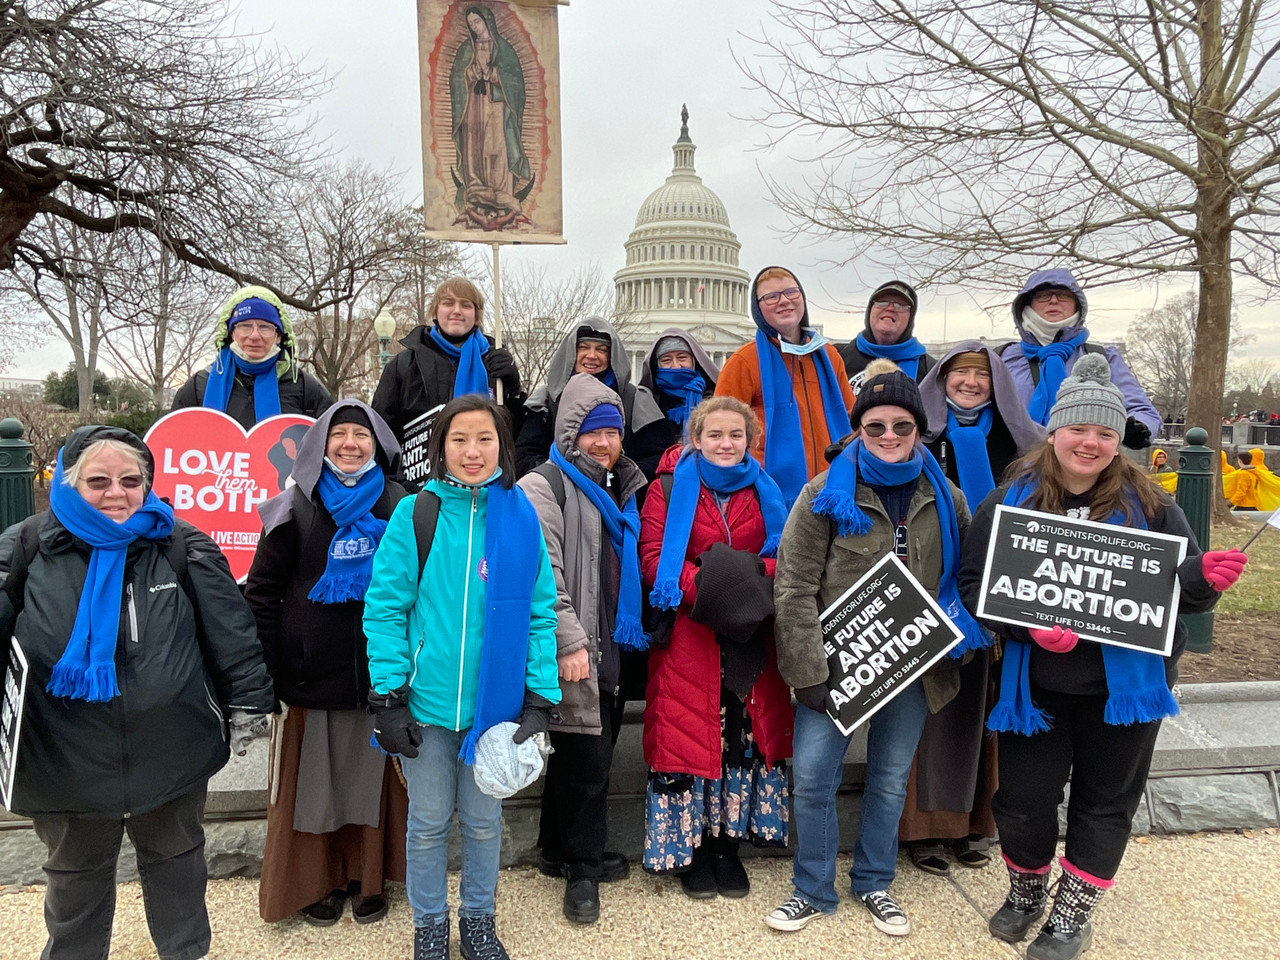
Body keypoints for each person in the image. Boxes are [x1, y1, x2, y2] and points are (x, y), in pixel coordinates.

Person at [958, 355, 1246, 960]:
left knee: (1104, 801)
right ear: (1055, 432)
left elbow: (1180, 590)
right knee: (1024, 801)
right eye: (1079, 430)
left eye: (1105, 433)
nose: (1090, 443)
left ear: (1118, 441)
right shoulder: (1010, 500)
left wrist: (1204, 576)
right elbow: (972, 584)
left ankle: (1072, 916)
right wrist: (1027, 627)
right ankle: (1027, 891)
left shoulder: (1154, 505)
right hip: (1035, 687)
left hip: (1125, 691)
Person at [0, 425, 274, 960]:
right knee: (74, 884)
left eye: (131, 480)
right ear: (69, 483)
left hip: (171, 752)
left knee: (178, 873)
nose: (116, 493)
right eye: (98, 481)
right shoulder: (25, 547)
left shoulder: (180, 544)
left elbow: (231, 632)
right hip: (64, 757)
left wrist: (250, 703)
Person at [766, 360, 988, 939]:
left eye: (901, 427)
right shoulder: (824, 494)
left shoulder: (949, 498)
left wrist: (957, 638)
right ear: (858, 430)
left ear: (920, 430)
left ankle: (874, 882)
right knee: (813, 779)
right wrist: (807, 670)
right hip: (837, 664)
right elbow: (792, 586)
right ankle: (811, 888)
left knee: (891, 779)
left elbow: (966, 578)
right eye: (876, 427)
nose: (889, 437)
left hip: (913, 662)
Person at [363, 396, 561, 960]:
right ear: (439, 447)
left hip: (494, 710)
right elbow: (386, 608)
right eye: (459, 440)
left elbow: (540, 610)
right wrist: (388, 696)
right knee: (426, 823)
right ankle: (429, 925)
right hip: (424, 706)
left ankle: (478, 920)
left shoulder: (521, 513)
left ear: (502, 444)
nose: (472, 452)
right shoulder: (416, 512)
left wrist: (541, 695)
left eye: (484, 439)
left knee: (481, 822)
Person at [245, 401, 409, 927]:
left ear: (379, 444)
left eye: (361, 435)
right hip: (307, 675)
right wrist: (268, 671)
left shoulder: (399, 504)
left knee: (368, 784)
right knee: (314, 789)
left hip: (375, 673)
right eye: (339, 435)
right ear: (319, 444)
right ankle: (318, 880)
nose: (350, 445)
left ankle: (366, 877)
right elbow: (263, 593)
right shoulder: (294, 505)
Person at [899, 342, 1045, 875]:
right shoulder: (920, 436)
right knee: (940, 703)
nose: (970, 382)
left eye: (981, 375)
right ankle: (928, 829)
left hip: (1000, 584)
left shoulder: (1023, 442)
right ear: (941, 380)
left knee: (988, 703)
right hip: (936, 583)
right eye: (959, 373)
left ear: (998, 384)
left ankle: (976, 822)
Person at [638, 396, 792, 899]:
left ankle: (727, 846)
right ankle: (692, 851)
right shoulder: (667, 489)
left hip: (750, 638)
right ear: (696, 438)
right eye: (715, 435)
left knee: (739, 742)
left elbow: (787, 558)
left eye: (736, 435)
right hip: (691, 635)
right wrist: (714, 590)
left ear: (750, 441)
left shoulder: (769, 492)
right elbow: (654, 557)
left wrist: (745, 589)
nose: (726, 444)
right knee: (689, 739)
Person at [517, 374, 650, 924]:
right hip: (576, 644)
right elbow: (542, 571)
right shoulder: (543, 485)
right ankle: (583, 871)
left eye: (613, 433)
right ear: (570, 431)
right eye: (593, 433)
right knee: (588, 761)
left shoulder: (623, 483)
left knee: (583, 753)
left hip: (614, 643)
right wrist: (569, 638)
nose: (604, 443)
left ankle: (556, 848)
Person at [715, 266, 856, 507]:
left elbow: (853, 422)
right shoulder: (744, 361)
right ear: (757, 308)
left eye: (792, 292)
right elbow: (721, 431)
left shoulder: (830, 357)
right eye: (771, 296)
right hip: (767, 497)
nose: (784, 301)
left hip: (833, 491)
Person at [998, 269, 1159, 448]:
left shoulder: (1103, 357)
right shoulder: (1000, 358)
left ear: (1078, 305)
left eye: (1063, 295)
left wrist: (1136, 429)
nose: (1053, 300)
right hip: (1013, 468)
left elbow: (1143, 411)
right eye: (1043, 295)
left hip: (1086, 464)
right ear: (1026, 305)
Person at [371, 277, 523, 451]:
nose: (456, 311)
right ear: (435, 311)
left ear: (476, 316)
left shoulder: (495, 362)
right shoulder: (404, 365)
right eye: (448, 303)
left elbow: (514, 435)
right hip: (422, 474)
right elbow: (382, 429)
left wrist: (514, 390)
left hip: (482, 470)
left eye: (466, 305)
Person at [515, 317, 665, 478]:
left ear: (612, 356)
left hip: (618, 498)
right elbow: (525, 456)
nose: (591, 355)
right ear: (572, 352)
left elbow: (655, 459)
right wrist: (567, 479)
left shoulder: (635, 400)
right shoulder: (547, 398)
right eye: (583, 348)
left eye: (601, 350)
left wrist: (616, 480)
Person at [172, 285, 332, 429]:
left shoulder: (306, 389)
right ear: (231, 333)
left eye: (265, 327)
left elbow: (329, 448)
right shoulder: (200, 385)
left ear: (279, 336)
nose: (255, 336)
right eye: (245, 326)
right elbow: (170, 441)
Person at [449, 4, 532, 226]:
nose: (475, 27)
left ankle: (501, 191)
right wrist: (472, 73)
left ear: (487, 21)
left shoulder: (504, 50)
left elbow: (516, 84)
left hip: (497, 107)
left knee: (496, 148)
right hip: (474, 108)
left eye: (478, 22)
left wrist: (494, 75)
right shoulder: (466, 51)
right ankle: (476, 187)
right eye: (471, 24)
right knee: (475, 147)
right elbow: (457, 80)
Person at [838, 280, 937, 392]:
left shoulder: (931, 370)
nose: (890, 308)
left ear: (911, 318)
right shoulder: (836, 357)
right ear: (870, 311)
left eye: (900, 305)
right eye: (882, 302)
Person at [636, 328, 720, 459]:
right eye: (666, 360)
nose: (676, 366)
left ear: (694, 361)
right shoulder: (647, 401)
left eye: (682, 358)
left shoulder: (715, 398)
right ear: (656, 365)